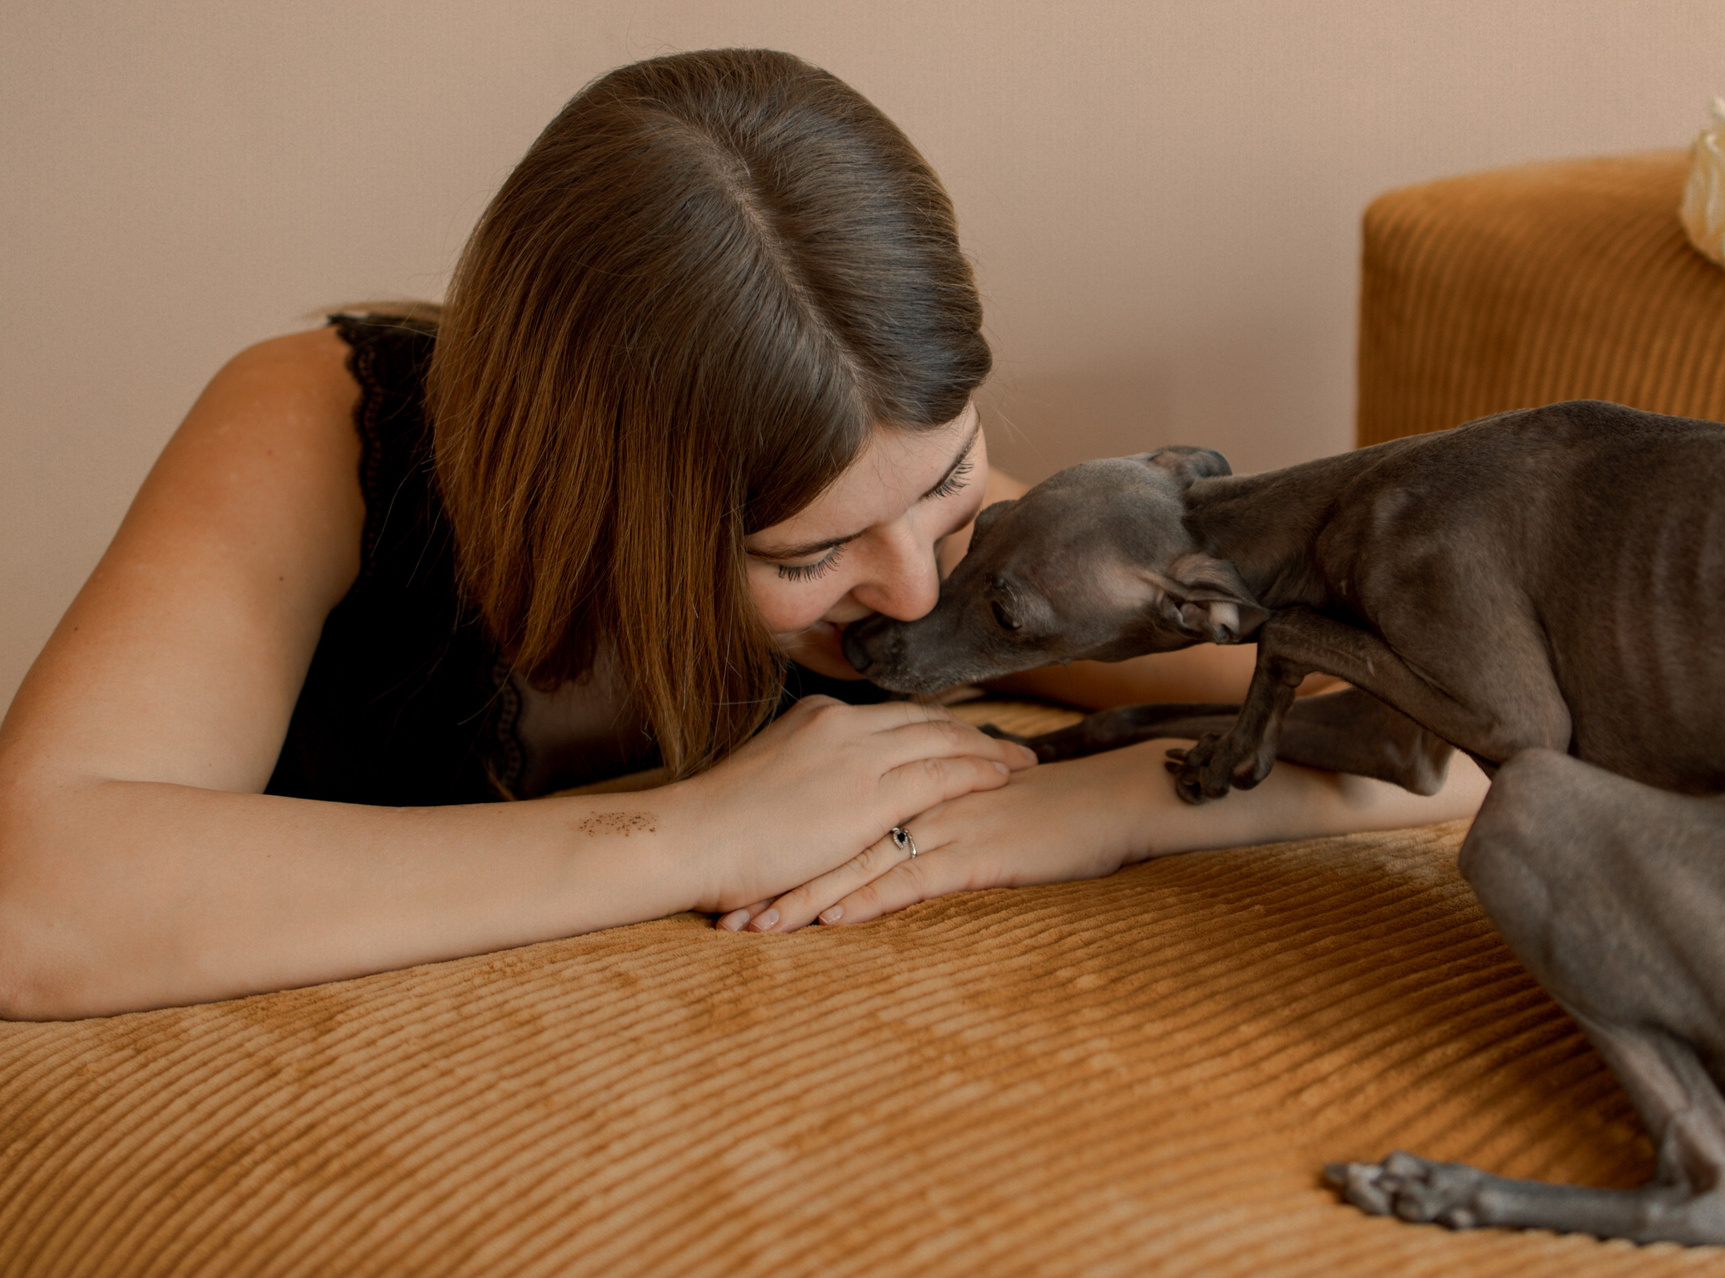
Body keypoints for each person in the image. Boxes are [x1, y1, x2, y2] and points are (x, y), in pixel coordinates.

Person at [0, 49, 1485, 1021]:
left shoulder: (929, 544)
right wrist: (693, 833)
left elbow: (1466, 721)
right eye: (802, 558)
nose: (915, 585)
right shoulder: (316, 426)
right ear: (607, 508)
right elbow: (39, 893)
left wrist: (1097, 813)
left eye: (950, 477)